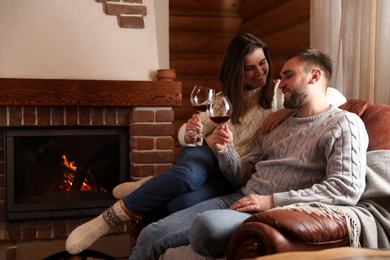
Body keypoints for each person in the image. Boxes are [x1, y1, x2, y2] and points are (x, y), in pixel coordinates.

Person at [65, 34, 346, 255]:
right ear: (237, 70)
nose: (260, 72)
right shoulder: (228, 97)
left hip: (231, 166)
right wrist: (190, 134)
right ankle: (106, 220)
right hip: (207, 153)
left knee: (180, 201)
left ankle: (155, 183)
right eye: (249, 68)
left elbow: (330, 96)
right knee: (188, 174)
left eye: (263, 63)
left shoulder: (280, 92)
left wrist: (286, 111)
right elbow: (190, 130)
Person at [127, 47, 368, 259]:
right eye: (281, 76)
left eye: (288, 76)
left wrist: (271, 201)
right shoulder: (278, 125)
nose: (280, 84)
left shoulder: (344, 124)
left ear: (315, 76)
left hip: (272, 210)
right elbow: (241, 176)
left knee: (205, 227)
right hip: (240, 197)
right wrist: (226, 151)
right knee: (151, 233)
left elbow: (344, 188)